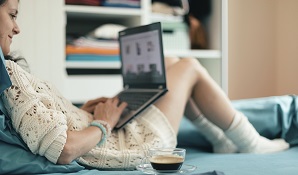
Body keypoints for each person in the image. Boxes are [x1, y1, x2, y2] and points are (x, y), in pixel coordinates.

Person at [0, 0, 289, 170]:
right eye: (12, 14)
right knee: (188, 67)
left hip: (109, 129)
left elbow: (46, 120)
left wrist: (82, 111)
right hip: (127, 142)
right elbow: (62, 149)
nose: (17, 27)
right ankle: (251, 143)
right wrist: (103, 124)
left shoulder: (9, 70)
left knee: (172, 62)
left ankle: (221, 140)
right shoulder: (8, 76)